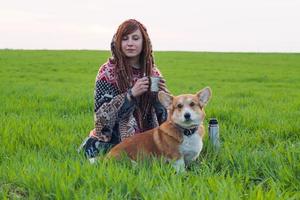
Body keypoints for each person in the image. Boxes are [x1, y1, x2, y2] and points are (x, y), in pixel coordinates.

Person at [79, 19, 169, 159]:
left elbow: (166, 118)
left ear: (144, 42)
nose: (130, 43)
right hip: (115, 136)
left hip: (146, 136)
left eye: (135, 38)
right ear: (118, 42)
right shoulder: (107, 72)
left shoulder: (153, 73)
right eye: (125, 39)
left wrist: (161, 98)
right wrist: (130, 95)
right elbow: (101, 119)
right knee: (107, 156)